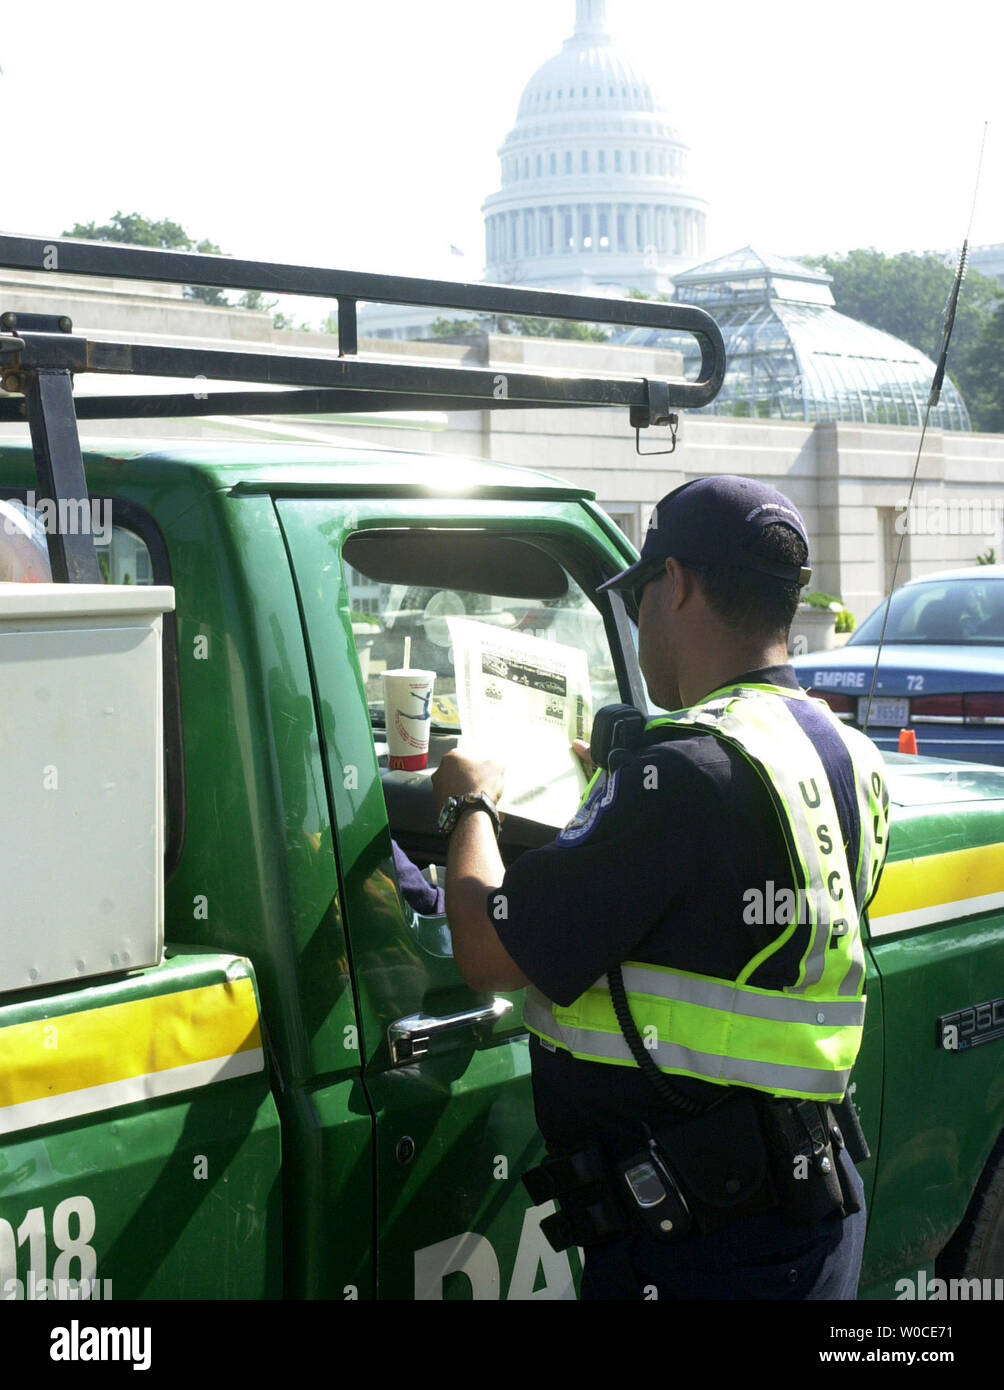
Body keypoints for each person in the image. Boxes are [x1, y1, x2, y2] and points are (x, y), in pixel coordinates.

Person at [431, 476, 890, 1301]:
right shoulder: (847, 753)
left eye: (640, 597)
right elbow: (716, 907)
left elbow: (487, 953)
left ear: (672, 583)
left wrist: (469, 804)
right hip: (811, 1219)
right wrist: (607, 809)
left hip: (702, 1255)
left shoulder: (678, 774)